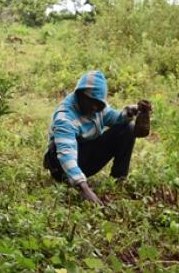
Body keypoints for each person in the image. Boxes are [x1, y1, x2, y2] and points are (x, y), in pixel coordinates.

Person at [43, 70, 153, 205]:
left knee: (127, 128)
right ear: (80, 95)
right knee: (60, 148)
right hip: (62, 168)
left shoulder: (96, 107)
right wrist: (84, 187)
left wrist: (130, 112)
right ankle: (76, 180)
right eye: (92, 103)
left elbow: (114, 118)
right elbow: (66, 154)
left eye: (99, 104)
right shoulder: (65, 117)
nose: (95, 107)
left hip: (84, 157)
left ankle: (118, 180)